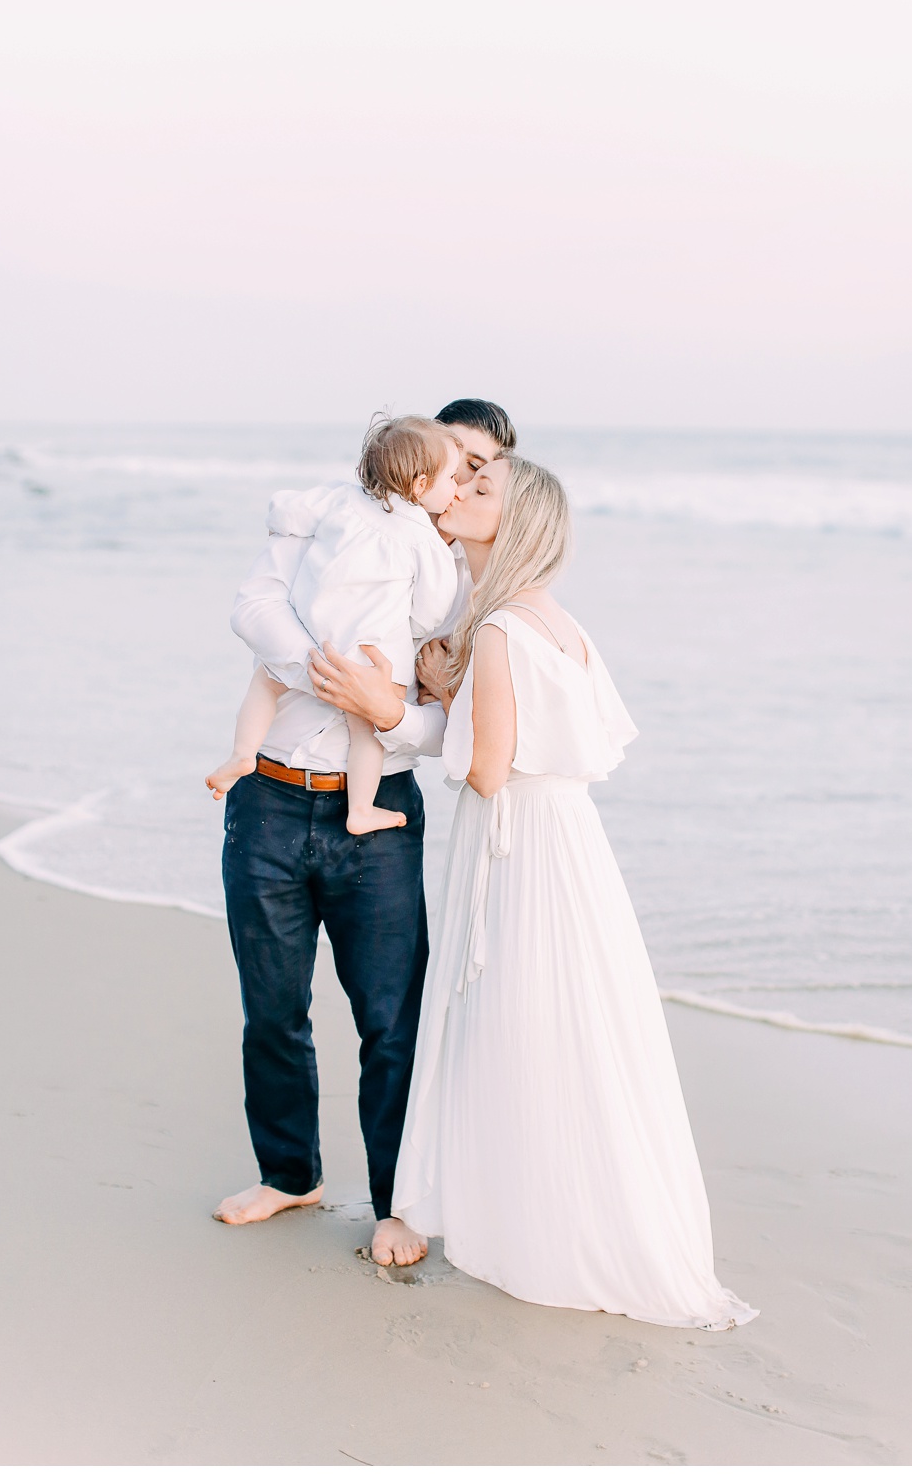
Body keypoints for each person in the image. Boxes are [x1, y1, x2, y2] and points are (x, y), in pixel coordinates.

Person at [310, 456, 758, 1328]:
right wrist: (458, 688)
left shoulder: (505, 630)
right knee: (566, 1021)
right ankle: (531, 1198)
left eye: (482, 492)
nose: (462, 496)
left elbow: (484, 769)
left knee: (512, 1016)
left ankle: (513, 1210)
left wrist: (428, 699)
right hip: (568, 843)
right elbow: (580, 740)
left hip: (516, 844)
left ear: (517, 524)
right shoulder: (561, 625)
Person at [212, 402, 515, 1269]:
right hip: (268, 797)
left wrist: (385, 710)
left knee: (391, 1019)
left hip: (375, 814)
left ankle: (397, 1203)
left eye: (482, 469)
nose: (464, 478)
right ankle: (288, 1174)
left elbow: (456, 727)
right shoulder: (334, 513)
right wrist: (321, 663)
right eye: (458, 457)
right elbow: (254, 599)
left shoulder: (471, 586)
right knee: (271, 1008)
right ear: (423, 461)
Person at [204, 416, 460, 834]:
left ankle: (242, 754)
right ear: (419, 485)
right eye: (451, 477)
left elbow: (287, 509)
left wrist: (281, 529)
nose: (456, 489)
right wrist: (408, 625)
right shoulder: (423, 541)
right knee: (366, 732)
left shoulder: (342, 499)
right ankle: (361, 809)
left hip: (313, 631)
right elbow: (431, 610)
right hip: (368, 655)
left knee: (265, 685)